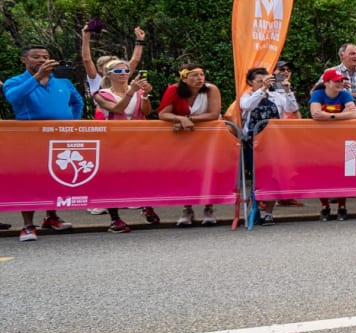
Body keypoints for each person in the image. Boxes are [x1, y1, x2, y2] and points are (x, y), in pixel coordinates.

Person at [5, 45, 85, 239]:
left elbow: (78, 102)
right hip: (30, 140)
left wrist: (71, 123)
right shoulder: (15, 81)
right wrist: (36, 77)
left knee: (55, 178)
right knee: (30, 181)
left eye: (45, 57)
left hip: (59, 140)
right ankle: (27, 225)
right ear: (24, 60)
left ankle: (51, 217)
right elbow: (12, 97)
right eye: (36, 57)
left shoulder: (63, 82)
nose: (41, 60)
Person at [87, 55, 155, 233]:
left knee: (143, 174)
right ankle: (114, 219)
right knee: (113, 178)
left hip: (139, 140)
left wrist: (146, 95)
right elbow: (117, 109)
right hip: (114, 142)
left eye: (126, 70)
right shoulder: (101, 94)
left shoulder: (138, 92)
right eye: (118, 71)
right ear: (108, 74)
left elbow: (146, 111)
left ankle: (147, 206)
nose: (123, 73)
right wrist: (131, 92)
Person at [155, 64, 223, 226]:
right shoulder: (174, 90)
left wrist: (189, 119)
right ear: (184, 78)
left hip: (208, 136)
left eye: (202, 74)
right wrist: (180, 119)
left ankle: (209, 207)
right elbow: (163, 113)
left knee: (208, 170)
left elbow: (214, 114)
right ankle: (187, 208)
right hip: (184, 136)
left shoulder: (211, 89)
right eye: (194, 75)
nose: (200, 78)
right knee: (186, 170)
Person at [236, 64, 298, 224]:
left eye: (265, 81)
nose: (263, 84)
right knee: (256, 178)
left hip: (274, 141)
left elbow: (292, 108)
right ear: (250, 82)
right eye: (258, 81)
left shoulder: (276, 96)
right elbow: (248, 106)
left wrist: (287, 91)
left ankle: (269, 212)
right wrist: (262, 89)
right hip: (253, 142)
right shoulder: (246, 96)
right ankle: (254, 209)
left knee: (272, 177)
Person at [307, 67, 356, 221]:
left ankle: (342, 206)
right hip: (320, 140)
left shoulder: (344, 94)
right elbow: (315, 114)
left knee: (341, 173)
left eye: (341, 81)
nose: (340, 83)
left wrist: (329, 116)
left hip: (339, 140)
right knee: (321, 174)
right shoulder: (318, 94)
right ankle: (325, 206)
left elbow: (353, 113)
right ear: (327, 82)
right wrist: (340, 116)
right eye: (336, 81)